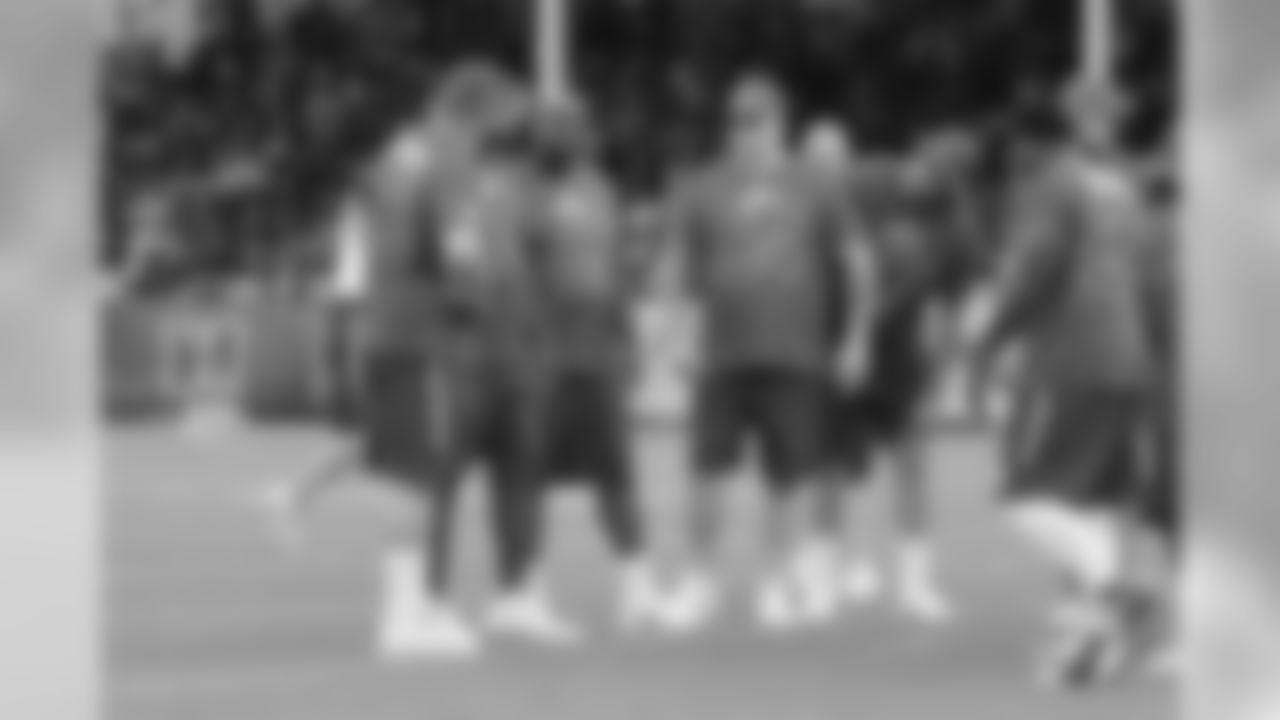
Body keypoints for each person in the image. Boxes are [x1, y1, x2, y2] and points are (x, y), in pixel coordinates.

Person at [967, 78, 1158, 687]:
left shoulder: (1055, 185)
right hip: (1127, 359)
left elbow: (1037, 270)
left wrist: (991, 338)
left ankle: (1117, 593)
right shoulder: (1123, 187)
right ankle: (1091, 650)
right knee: (1090, 502)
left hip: (1071, 359)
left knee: (1026, 499)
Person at [662, 76, 871, 633]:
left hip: (795, 351)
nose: (745, 133)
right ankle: (699, 582)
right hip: (722, 353)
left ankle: (778, 581)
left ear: (780, 124)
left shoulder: (815, 187)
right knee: (707, 471)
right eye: (737, 121)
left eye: (756, 122)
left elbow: (856, 263)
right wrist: (677, 336)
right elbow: (678, 270)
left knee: (791, 476)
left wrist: (856, 337)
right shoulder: (702, 187)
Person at [505, 100, 669, 634]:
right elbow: (512, 275)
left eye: (570, 130)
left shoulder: (600, 190)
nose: (562, 139)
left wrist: (628, 339)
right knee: (529, 477)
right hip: (543, 357)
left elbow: (613, 271)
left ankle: (637, 587)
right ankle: (526, 592)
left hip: (597, 354)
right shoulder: (519, 193)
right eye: (553, 131)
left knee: (616, 473)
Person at [801, 122, 958, 625]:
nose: (826, 170)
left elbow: (943, 295)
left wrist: (936, 358)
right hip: (837, 354)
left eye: (832, 160)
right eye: (816, 161)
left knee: (912, 464)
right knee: (829, 470)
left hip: (897, 356)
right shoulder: (809, 212)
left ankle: (914, 587)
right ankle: (822, 585)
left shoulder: (940, 216)